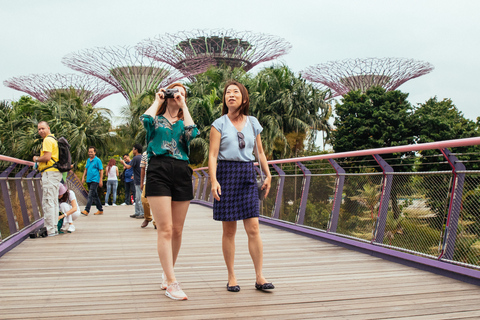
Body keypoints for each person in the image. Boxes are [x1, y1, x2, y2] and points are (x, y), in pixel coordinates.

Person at [208, 80, 274, 292]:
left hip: (247, 173)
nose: (231, 95)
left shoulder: (253, 122)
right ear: (225, 99)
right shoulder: (218, 124)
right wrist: (213, 180)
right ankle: (231, 276)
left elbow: (260, 152)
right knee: (229, 230)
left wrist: (268, 174)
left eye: (236, 92)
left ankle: (259, 276)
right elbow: (212, 155)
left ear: (244, 98)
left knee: (253, 227)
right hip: (226, 174)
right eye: (228, 92)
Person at [141, 82, 198, 301]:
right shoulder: (155, 119)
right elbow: (145, 120)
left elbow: (192, 133)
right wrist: (158, 99)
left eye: (182, 94)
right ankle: (172, 283)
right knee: (165, 229)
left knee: (177, 230)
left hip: (182, 170)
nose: (177, 96)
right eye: (174, 93)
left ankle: (167, 273)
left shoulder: (185, 122)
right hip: (159, 169)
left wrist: (184, 106)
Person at [34, 121, 63, 237]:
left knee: (48, 201)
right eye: (39, 129)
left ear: (48, 128)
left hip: (49, 173)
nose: (41, 131)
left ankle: (50, 229)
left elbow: (47, 157)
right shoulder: (53, 139)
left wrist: (36, 159)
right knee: (54, 201)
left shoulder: (47, 140)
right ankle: (54, 227)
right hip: (55, 172)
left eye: (42, 128)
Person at [120, 145, 144, 219]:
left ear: (136, 150)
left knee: (139, 198)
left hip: (138, 181)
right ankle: (137, 212)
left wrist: (123, 163)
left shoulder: (136, 158)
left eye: (133, 149)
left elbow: (128, 167)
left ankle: (142, 213)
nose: (132, 150)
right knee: (136, 198)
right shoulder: (141, 157)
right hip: (140, 180)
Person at [81, 146, 104, 216]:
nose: (90, 153)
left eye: (91, 152)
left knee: (90, 195)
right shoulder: (88, 160)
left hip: (95, 180)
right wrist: (83, 177)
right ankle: (100, 209)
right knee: (95, 195)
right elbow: (86, 169)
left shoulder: (97, 160)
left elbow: (101, 170)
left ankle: (87, 210)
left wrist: (101, 180)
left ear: (95, 152)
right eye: (89, 152)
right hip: (89, 180)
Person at [140, 151, 155, 229]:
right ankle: (148, 217)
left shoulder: (162, 151)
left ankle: (157, 222)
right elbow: (143, 168)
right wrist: (141, 182)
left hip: (159, 181)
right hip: (147, 180)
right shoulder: (145, 154)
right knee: (144, 200)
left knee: (158, 202)